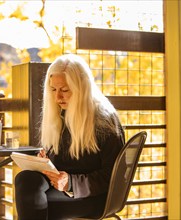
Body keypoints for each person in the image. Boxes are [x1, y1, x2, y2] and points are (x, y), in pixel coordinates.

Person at [14, 54, 125, 220]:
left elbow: (113, 176)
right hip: (62, 188)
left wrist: (71, 183)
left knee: (32, 202)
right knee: (25, 180)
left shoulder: (105, 120)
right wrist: (46, 161)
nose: (57, 97)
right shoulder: (61, 115)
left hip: (94, 196)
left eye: (65, 90)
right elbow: (67, 162)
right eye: (53, 90)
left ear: (82, 88)